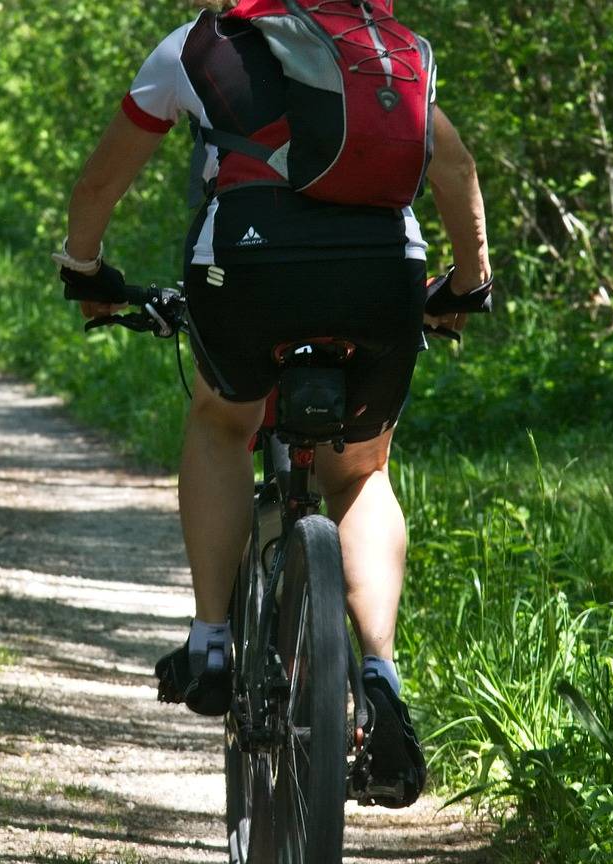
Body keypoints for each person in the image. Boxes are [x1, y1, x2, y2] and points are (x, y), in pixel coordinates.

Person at [54, 0, 492, 806]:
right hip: (382, 272)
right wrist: (467, 286)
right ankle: (382, 672)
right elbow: (457, 169)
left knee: (223, 421)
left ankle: (213, 641)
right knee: (359, 473)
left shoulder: (199, 45)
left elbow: (100, 180)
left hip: (249, 267)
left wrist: (84, 271)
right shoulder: (386, 50)